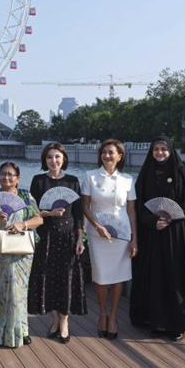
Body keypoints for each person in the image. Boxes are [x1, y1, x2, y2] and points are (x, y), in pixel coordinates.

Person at [130, 136, 185, 342]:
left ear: (171, 151)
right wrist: (153, 221)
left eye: (163, 149)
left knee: (175, 277)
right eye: (156, 149)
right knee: (155, 278)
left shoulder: (182, 174)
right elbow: (140, 206)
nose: (159, 153)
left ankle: (177, 324)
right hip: (153, 235)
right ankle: (157, 323)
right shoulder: (145, 175)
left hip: (177, 236)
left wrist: (171, 219)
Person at [28, 143, 87, 344]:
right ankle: (54, 320)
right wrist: (49, 213)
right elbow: (32, 211)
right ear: (45, 160)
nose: (54, 161)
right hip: (46, 236)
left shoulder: (72, 181)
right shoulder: (38, 181)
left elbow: (78, 213)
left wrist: (80, 238)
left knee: (66, 278)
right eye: (50, 157)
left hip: (68, 236)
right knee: (49, 278)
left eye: (57, 157)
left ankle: (64, 322)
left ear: (63, 159)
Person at [81, 139, 137, 340]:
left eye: (111, 152)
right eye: (104, 152)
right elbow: (85, 207)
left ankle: (113, 316)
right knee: (102, 276)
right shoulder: (90, 176)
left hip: (121, 232)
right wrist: (97, 226)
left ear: (120, 156)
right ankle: (102, 314)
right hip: (97, 232)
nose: (107, 156)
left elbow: (131, 212)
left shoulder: (128, 180)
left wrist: (134, 239)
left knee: (119, 275)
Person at [0, 161, 42, 347]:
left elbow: (38, 219)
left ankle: (21, 331)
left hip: (22, 253)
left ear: (18, 178)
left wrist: (21, 224)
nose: (6, 177)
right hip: (0, 253)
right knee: (1, 293)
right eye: (3, 174)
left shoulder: (25, 196)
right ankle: (1, 332)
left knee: (20, 293)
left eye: (11, 174)